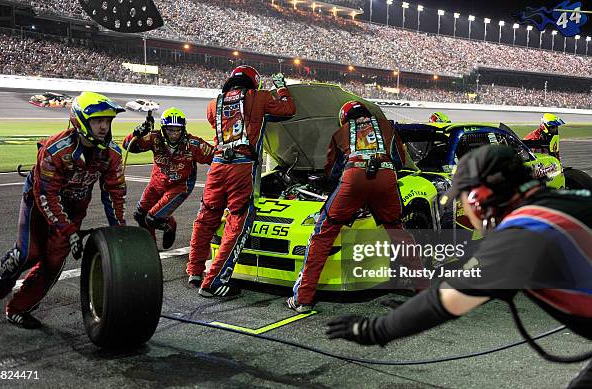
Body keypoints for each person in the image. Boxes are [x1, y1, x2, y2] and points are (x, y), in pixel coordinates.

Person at [326, 145, 592, 388]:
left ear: (479, 198)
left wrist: (373, 330)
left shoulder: (523, 231)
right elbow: (477, 285)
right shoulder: (570, 200)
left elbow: (447, 301)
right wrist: (414, 309)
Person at [0, 91, 127, 328]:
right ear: (81, 121)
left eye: (107, 121)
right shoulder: (54, 150)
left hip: (75, 206)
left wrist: (119, 230)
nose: (104, 127)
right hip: (38, 199)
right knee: (28, 253)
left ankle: (18, 308)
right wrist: (69, 230)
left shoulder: (112, 154)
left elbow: (115, 193)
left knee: (54, 260)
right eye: (97, 121)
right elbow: (46, 196)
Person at [288, 101, 416, 313]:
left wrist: (352, 195)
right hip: (385, 178)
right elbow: (399, 161)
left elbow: (333, 172)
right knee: (399, 233)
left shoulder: (342, 132)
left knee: (322, 235)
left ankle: (303, 299)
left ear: (344, 119)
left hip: (353, 179)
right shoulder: (387, 127)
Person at [187, 65, 296, 297]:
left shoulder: (214, 103)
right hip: (241, 166)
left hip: (217, 165)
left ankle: (195, 271)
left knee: (206, 217)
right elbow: (289, 109)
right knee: (238, 222)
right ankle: (214, 280)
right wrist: (282, 88)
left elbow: (215, 123)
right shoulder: (259, 96)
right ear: (253, 82)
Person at [122, 107, 214, 249]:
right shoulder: (154, 137)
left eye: (177, 130)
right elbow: (128, 146)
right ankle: (150, 247)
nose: (174, 134)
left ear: (183, 129)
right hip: (157, 181)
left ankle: (170, 225)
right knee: (140, 215)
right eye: (170, 130)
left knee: (153, 218)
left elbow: (215, 157)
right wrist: (137, 133)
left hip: (180, 186)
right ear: (163, 129)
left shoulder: (193, 144)